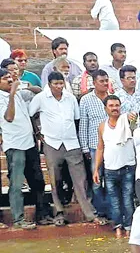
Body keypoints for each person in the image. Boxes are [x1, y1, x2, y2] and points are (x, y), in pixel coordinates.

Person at [29, 72, 101, 226]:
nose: (59, 87)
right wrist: (37, 133)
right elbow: (30, 114)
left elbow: (76, 119)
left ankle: (90, 213)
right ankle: (60, 212)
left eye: (61, 83)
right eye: (56, 84)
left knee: (80, 180)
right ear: (49, 84)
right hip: (52, 143)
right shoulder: (41, 98)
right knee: (55, 180)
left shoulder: (70, 98)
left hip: (71, 143)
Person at [0, 69, 51, 229]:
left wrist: (25, 86)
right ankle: (18, 219)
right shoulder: (4, 98)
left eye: (10, 77)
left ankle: (42, 215)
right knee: (16, 184)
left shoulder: (19, 94)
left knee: (37, 181)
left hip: (30, 144)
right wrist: (13, 93)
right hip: (14, 146)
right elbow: (9, 117)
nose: (9, 80)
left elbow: (39, 91)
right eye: (5, 78)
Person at [93, 95, 136, 237]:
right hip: (110, 169)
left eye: (117, 105)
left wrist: (132, 118)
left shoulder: (127, 120)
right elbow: (100, 148)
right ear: (105, 108)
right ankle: (118, 227)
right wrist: (96, 169)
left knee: (128, 200)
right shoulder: (102, 126)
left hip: (128, 167)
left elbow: (133, 123)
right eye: (111, 106)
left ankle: (129, 227)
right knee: (114, 201)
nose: (115, 108)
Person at [79, 70, 112, 218]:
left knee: (111, 181)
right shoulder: (86, 100)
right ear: (94, 83)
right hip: (94, 147)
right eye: (102, 81)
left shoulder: (113, 99)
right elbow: (83, 125)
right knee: (97, 181)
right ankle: (100, 211)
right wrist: (85, 148)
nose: (105, 84)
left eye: (106, 81)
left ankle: (112, 211)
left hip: (112, 147)